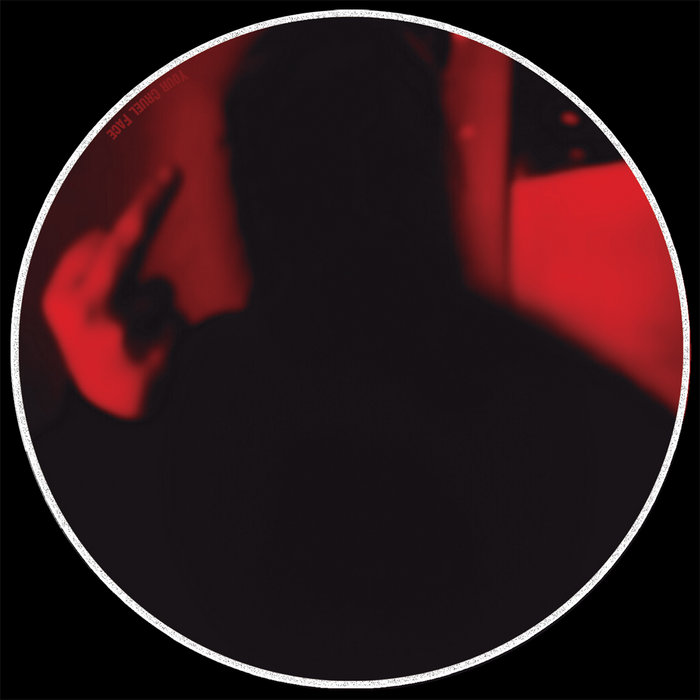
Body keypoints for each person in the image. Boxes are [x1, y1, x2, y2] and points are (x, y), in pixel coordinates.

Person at [32, 19, 673, 680]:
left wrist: (103, 427)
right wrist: (104, 420)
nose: (336, 182)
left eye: (364, 132)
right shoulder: (591, 422)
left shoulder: (186, 401)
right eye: (297, 141)